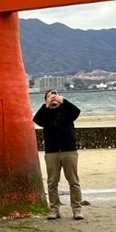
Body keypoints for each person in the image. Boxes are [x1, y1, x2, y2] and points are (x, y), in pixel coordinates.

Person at [34, 90, 84, 220]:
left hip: (69, 150)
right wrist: (47, 106)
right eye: (50, 96)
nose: (53, 97)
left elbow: (76, 111)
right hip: (52, 152)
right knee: (52, 182)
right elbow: (36, 119)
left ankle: (77, 209)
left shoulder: (66, 111)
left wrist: (63, 101)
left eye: (55, 95)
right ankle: (54, 209)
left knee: (73, 181)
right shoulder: (45, 114)